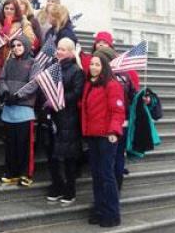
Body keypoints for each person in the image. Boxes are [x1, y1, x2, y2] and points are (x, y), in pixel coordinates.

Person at [81, 53, 125, 228]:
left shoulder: (112, 85)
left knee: (107, 175)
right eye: (91, 64)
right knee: (97, 175)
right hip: (93, 135)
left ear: (104, 67)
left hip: (107, 136)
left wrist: (114, 131)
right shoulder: (89, 85)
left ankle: (112, 213)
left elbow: (118, 110)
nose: (93, 67)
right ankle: (99, 209)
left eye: (97, 64)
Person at [45, 38, 84, 205]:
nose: (58, 51)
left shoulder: (76, 71)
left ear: (70, 52)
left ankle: (70, 190)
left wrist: (58, 100)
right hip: (51, 117)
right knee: (52, 155)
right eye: (58, 49)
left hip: (68, 118)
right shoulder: (52, 67)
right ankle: (57, 186)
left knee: (68, 158)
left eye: (62, 49)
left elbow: (77, 93)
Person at [0, 35, 39, 187]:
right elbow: (1, 79)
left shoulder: (33, 63)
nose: (16, 48)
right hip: (9, 110)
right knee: (10, 144)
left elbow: (34, 83)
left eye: (20, 45)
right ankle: (11, 172)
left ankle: (25, 173)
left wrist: (18, 96)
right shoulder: (8, 62)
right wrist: (6, 93)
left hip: (24, 111)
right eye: (14, 46)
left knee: (24, 145)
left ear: (26, 46)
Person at [0, 0, 35, 83]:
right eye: (6, 8)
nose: (9, 11)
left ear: (16, 10)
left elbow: (31, 40)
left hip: (15, 61)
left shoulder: (23, 22)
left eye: (12, 9)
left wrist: (13, 41)